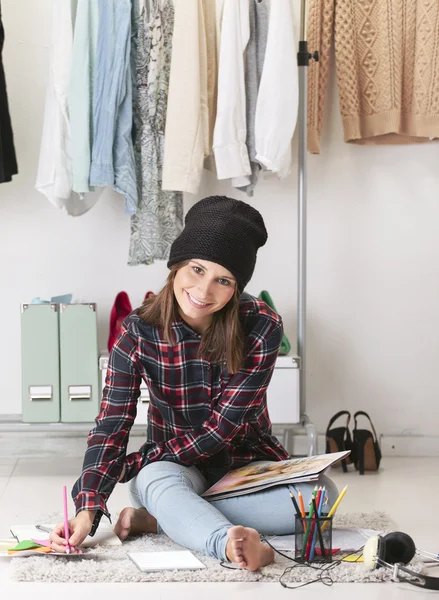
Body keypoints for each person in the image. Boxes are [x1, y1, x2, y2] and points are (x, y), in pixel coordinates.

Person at [50, 196, 338, 571]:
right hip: (171, 468)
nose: (204, 292)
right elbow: (110, 425)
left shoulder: (262, 325)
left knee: (321, 497)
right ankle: (228, 543)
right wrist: (87, 510)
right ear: (176, 266)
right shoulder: (136, 333)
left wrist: (136, 462)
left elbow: (220, 429)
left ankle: (163, 519)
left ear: (237, 286)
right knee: (156, 483)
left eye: (223, 280)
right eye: (196, 270)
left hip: (245, 465)